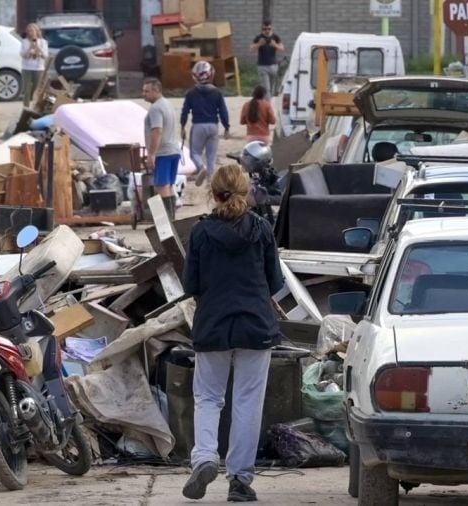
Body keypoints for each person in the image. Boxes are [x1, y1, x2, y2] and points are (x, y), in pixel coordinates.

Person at [181, 164, 284, 503]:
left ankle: (205, 457)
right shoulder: (262, 228)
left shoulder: (200, 232)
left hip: (212, 325)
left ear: (213, 194)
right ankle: (239, 480)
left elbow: (190, 285)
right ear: (246, 193)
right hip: (256, 325)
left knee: (209, 398)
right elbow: (275, 283)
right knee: (247, 402)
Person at [180, 61, 230, 187]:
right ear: (211, 74)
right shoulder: (217, 92)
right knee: (211, 155)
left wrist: (182, 126)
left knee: (195, 153)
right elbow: (223, 111)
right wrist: (227, 127)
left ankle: (201, 167)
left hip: (198, 126)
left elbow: (185, 111)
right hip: (213, 126)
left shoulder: (191, 93)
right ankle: (210, 181)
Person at [142, 77, 182, 221]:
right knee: (169, 185)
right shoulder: (167, 104)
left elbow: (157, 130)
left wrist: (152, 154)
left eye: (146, 91)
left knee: (161, 186)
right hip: (174, 150)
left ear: (155, 91)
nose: (143, 94)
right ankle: (172, 218)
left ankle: (166, 221)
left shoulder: (156, 108)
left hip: (163, 152)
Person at [250, 21, 285, 98]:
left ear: (272, 28)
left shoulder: (275, 37)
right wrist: (259, 44)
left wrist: (275, 45)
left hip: (273, 66)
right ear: (262, 29)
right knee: (267, 88)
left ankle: (268, 103)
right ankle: (268, 106)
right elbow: (251, 49)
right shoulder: (259, 37)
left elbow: (282, 48)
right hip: (262, 66)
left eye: (268, 29)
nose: (266, 31)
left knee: (271, 89)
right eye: (264, 29)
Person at [20, 22, 49, 107]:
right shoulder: (24, 41)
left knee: (37, 88)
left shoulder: (43, 42)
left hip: (38, 68)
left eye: (32, 31)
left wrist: (38, 47)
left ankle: (35, 104)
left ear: (36, 31)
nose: (30, 33)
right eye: (28, 31)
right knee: (27, 88)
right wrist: (30, 48)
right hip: (27, 68)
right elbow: (22, 55)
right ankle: (26, 106)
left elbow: (45, 55)